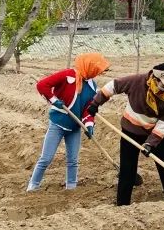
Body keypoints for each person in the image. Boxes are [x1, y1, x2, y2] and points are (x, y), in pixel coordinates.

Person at [87, 62, 164, 205]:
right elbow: (113, 86)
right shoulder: (136, 82)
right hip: (131, 131)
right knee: (127, 170)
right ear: (155, 79)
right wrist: (95, 103)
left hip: (155, 134)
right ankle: (123, 204)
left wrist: (150, 143)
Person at [27, 52, 111, 191]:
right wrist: (54, 101)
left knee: (73, 160)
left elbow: (88, 110)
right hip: (58, 124)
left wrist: (89, 125)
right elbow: (42, 85)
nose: (97, 74)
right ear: (89, 67)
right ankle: (33, 186)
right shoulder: (67, 75)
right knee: (46, 158)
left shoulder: (92, 87)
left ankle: (71, 187)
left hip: (75, 127)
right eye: (96, 70)